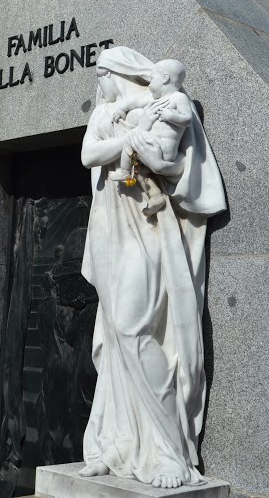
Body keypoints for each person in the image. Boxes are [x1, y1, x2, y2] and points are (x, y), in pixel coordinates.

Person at [79, 47, 226, 489]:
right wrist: (128, 142)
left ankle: (167, 450)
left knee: (132, 328)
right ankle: (116, 441)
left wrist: (153, 153)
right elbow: (89, 155)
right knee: (114, 337)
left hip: (146, 230)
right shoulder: (105, 115)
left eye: (100, 77)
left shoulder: (163, 108)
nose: (97, 86)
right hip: (108, 231)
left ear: (115, 73)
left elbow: (185, 170)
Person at [108, 60, 193, 216]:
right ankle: (155, 196)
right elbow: (135, 102)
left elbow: (187, 119)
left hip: (163, 149)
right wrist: (121, 109)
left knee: (132, 137)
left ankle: (125, 171)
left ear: (165, 78)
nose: (149, 85)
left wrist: (171, 115)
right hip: (152, 145)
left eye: (152, 80)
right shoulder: (155, 99)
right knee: (139, 166)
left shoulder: (178, 98)